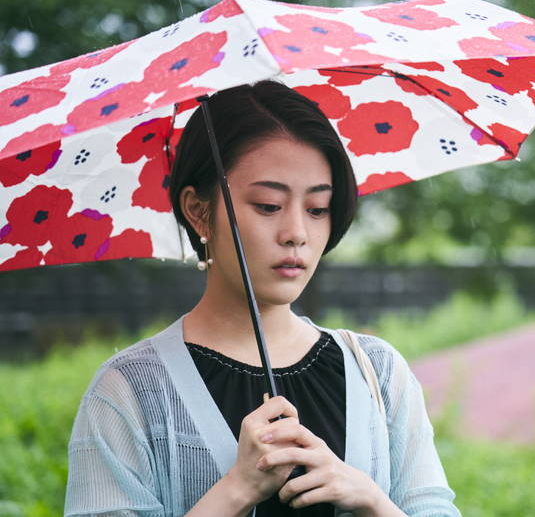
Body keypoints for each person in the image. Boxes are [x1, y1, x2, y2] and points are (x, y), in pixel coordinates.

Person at [64, 80, 460, 517]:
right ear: (198, 210)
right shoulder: (129, 392)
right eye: (269, 205)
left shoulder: (378, 372)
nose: (296, 233)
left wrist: (369, 498)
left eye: (317, 209)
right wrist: (236, 489)